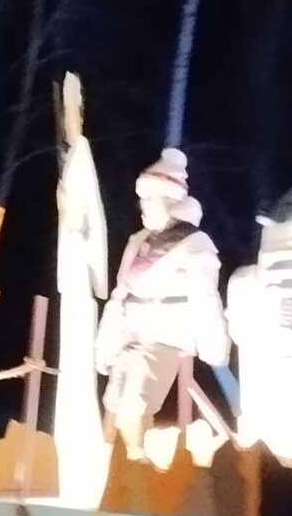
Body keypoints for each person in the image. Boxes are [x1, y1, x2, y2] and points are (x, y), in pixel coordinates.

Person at [96, 149, 233, 467]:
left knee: (134, 406)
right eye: (142, 199)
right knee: (113, 402)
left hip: (166, 337)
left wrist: (214, 346)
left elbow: (206, 299)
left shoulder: (195, 245)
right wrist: (106, 343)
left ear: (169, 199)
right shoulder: (139, 240)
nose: (144, 205)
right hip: (130, 333)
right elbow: (121, 294)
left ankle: (143, 458)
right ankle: (112, 462)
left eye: (150, 198)